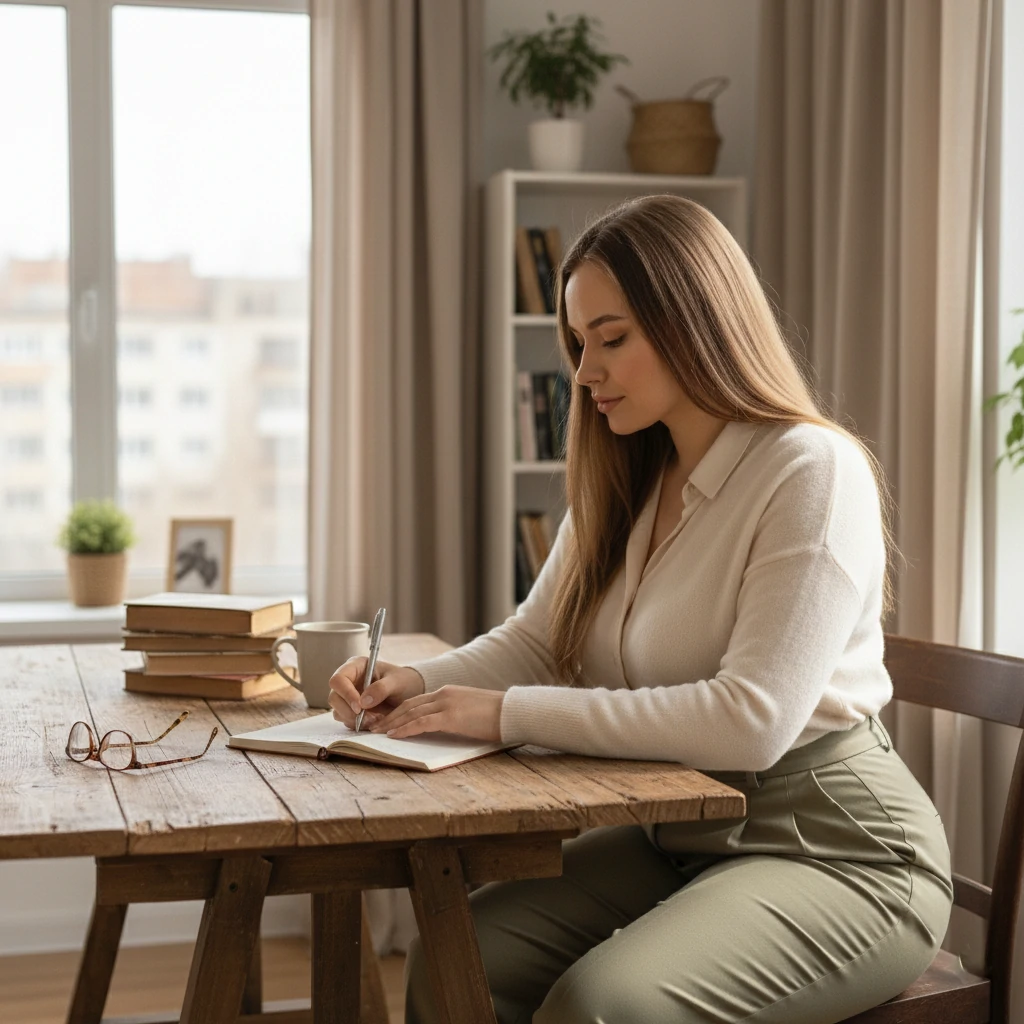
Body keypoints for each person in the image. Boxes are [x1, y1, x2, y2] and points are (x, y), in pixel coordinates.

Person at [328, 195, 953, 1024]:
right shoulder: (629, 478)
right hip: (680, 834)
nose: (584, 374)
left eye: (612, 340)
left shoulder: (811, 471)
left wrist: (505, 715)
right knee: (455, 954)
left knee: (606, 1005)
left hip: (840, 850)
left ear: (695, 319)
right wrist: (412, 682)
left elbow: (752, 721)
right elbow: (537, 641)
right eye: (579, 344)